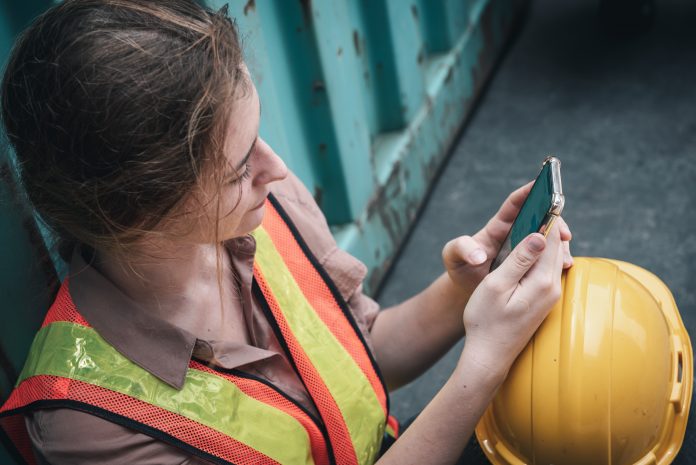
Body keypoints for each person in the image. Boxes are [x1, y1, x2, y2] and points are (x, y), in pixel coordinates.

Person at [0, 1, 573, 464]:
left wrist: (464, 290)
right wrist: (484, 363)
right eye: (237, 169)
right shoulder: (90, 423)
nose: (274, 170)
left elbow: (363, 355)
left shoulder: (253, 208)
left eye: (257, 135)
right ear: (138, 215)